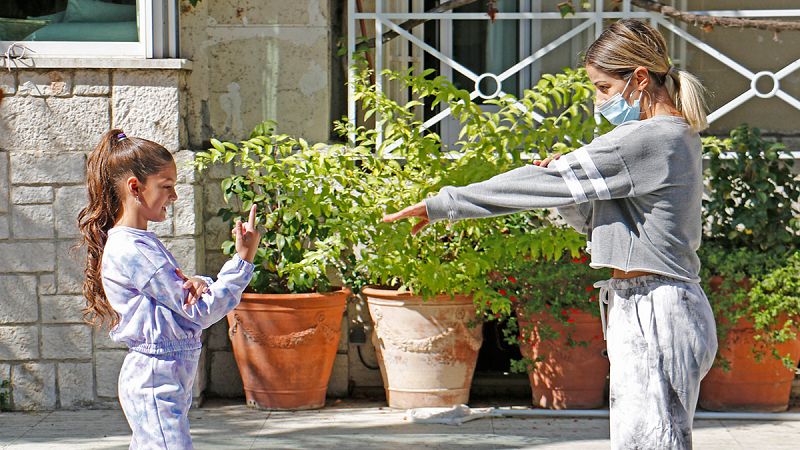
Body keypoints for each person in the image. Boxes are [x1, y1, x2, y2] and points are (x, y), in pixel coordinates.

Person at [383, 19, 718, 450]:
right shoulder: (673, 135)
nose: (600, 104)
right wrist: (565, 189)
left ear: (638, 78)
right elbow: (597, 227)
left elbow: (529, 185)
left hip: (657, 308)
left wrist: (445, 202)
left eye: (603, 88)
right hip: (656, 304)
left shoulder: (646, 139)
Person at [78, 129, 261, 449]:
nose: (174, 196)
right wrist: (242, 262)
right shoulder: (134, 250)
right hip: (154, 380)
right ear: (135, 187)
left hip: (162, 377)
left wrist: (201, 281)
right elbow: (199, 311)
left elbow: (179, 296)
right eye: (166, 187)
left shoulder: (139, 244)